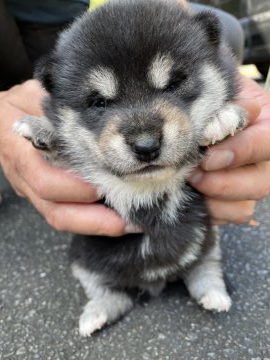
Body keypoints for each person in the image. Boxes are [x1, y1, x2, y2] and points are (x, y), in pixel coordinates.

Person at [0, 0, 269, 236]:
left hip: (63, 12)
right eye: (100, 102)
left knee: (232, 28)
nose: (144, 139)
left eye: (173, 85)